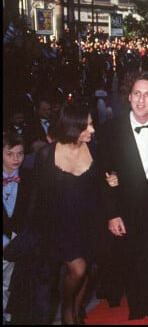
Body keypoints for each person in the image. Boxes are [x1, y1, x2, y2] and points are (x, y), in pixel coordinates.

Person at [7, 102, 100, 325]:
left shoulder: (95, 150)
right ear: (72, 126)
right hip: (57, 226)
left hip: (86, 223)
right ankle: (67, 310)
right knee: (77, 270)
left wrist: (112, 182)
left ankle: (76, 310)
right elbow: (37, 196)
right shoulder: (47, 155)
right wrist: (29, 231)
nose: (93, 129)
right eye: (87, 125)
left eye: (92, 124)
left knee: (87, 271)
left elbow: (101, 187)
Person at [99, 70, 148, 325]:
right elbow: (104, 174)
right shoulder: (111, 129)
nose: (141, 100)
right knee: (130, 261)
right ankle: (136, 308)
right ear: (128, 96)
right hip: (126, 208)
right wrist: (112, 213)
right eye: (137, 93)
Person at [2, 132, 28, 325]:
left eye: (20, 153)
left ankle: (9, 316)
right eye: (10, 154)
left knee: (12, 284)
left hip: (19, 241)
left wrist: (17, 240)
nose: (16, 159)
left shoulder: (29, 178)